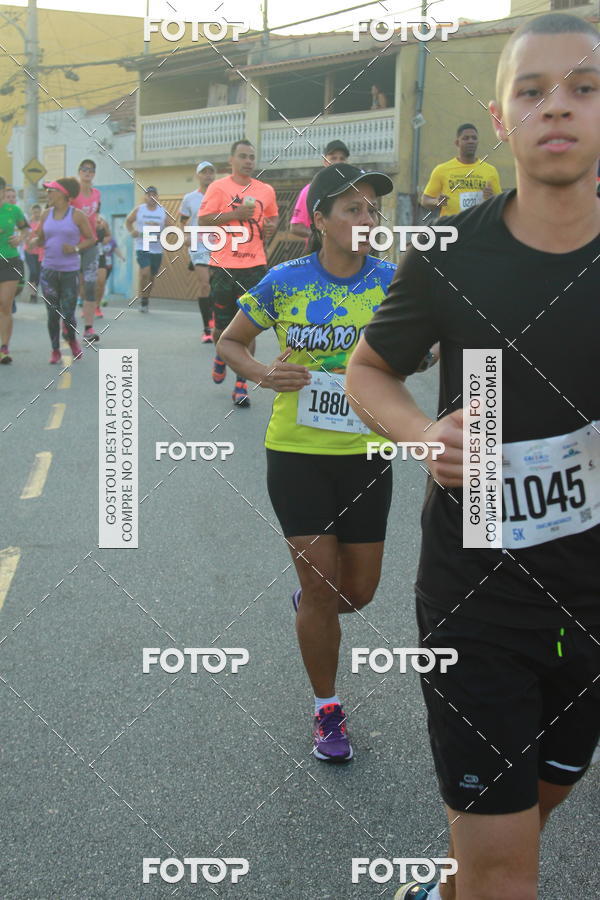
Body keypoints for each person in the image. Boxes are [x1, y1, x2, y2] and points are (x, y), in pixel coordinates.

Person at [346, 12, 600, 900]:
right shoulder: (448, 254)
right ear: (501, 121)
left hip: (593, 594)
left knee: (537, 807)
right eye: (532, 91)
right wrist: (423, 434)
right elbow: (369, 370)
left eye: (583, 87)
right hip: (478, 596)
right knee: (503, 867)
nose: (557, 107)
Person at [219, 163, 416, 761]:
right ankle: (327, 709)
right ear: (321, 220)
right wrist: (260, 372)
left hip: (368, 450)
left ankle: (313, 605)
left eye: (371, 211)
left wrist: (421, 355)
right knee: (321, 585)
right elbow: (232, 341)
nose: (365, 220)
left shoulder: (393, 282)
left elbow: (419, 350)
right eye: (351, 210)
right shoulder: (284, 280)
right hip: (297, 451)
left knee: (358, 592)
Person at [198, 139, 278, 406]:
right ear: (231, 160)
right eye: (243, 156)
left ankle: (241, 383)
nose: (248, 161)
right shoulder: (218, 187)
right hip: (223, 265)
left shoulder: (265, 190)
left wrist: (270, 228)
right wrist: (235, 214)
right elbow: (203, 219)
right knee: (222, 327)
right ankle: (222, 353)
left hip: (255, 266)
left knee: (249, 329)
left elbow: (273, 218)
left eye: (252, 157)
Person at [35, 179, 94, 364]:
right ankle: (55, 350)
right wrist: (32, 242)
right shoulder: (45, 215)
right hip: (48, 271)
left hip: (70, 272)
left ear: (62, 193)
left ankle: (72, 341)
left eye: (51, 191)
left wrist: (75, 248)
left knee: (68, 313)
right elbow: (40, 239)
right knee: (52, 313)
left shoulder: (77, 216)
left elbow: (90, 239)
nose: (48, 194)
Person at [421, 124, 502, 217]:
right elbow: (425, 200)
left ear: (478, 142)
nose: (471, 141)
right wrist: (437, 201)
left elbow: (500, 203)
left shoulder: (490, 171)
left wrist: (491, 199)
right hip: (452, 225)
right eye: (465, 138)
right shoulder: (441, 170)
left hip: (479, 225)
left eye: (474, 138)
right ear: (457, 142)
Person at [179, 160, 216, 343]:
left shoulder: (222, 195)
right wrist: (185, 236)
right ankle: (207, 328)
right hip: (198, 245)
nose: (208, 175)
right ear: (198, 175)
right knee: (204, 284)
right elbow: (183, 220)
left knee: (216, 286)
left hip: (218, 244)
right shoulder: (189, 198)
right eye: (204, 172)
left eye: (211, 172)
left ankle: (216, 318)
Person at [290, 140, 350, 243]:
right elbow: (295, 227)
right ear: (325, 162)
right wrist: (322, 237)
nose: (338, 162)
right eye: (333, 158)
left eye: (342, 159)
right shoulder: (310, 190)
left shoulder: (353, 190)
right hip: (318, 255)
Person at [71, 159, 101, 343]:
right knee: (72, 287)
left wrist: (98, 223)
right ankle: (68, 326)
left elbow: (96, 214)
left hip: (91, 245)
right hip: (73, 246)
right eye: (84, 169)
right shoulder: (73, 194)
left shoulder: (97, 194)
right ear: (79, 172)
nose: (87, 172)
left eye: (91, 170)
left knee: (90, 285)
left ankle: (88, 329)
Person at [0, 177, 29, 364]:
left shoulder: (13, 210)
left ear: (3, 191)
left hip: (9, 261)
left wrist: (20, 238)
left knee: (4, 304)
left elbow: (25, 228)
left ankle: (4, 348)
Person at [126, 186, 167, 313]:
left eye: (154, 194)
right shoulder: (139, 210)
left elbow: (172, 226)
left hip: (157, 249)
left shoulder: (162, 211)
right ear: (145, 197)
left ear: (157, 197)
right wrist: (132, 231)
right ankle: (142, 299)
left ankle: (145, 300)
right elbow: (128, 221)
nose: (151, 197)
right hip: (142, 246)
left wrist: (164, 233)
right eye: (149, 194)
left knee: (151, 276)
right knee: (145, 273)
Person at [95, 217, 123, 317]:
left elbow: (112, 244)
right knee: (90, 284)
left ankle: (98, 304)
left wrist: (122, 257)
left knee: (101, 282)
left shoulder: (105, 230)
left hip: (103, 260)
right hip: (88, 257)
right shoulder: (86, 223)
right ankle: (87, 303)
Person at [24, 204, 43, 303]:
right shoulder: (28, 223)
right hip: (29, 251)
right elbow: (24, 235)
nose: (36, 214)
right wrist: (28, 243)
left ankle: (34, 293)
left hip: (39, 252)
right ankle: (32, 294)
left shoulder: (42, 223)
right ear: (32, 213)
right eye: (34, 212)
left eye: (38, 212)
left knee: (38, 274)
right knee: (33, 271)